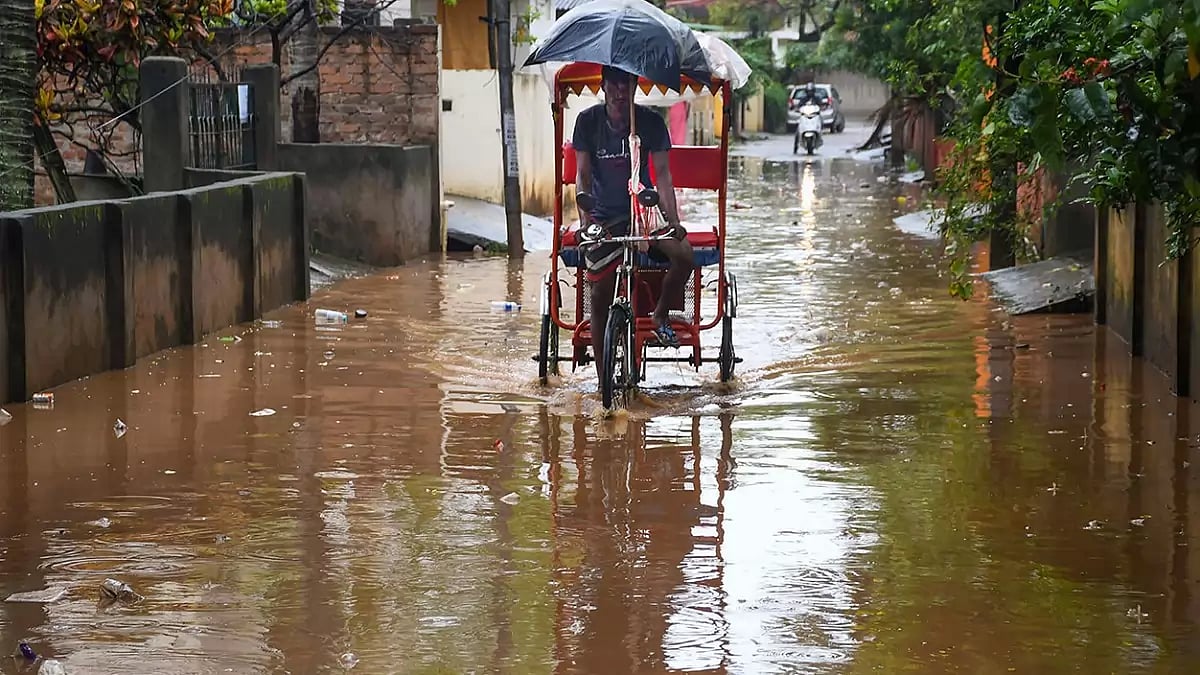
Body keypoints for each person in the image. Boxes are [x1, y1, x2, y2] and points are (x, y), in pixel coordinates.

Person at [572, 65, 694, 384]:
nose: (619, 91)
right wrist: (586, 221)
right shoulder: (587, 122)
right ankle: (603, 382)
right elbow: (582, 175)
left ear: (635, 86)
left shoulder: (651, 122)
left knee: (684, 257)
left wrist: (674, 221)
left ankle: (660, 314)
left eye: (625, 84)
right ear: (604, 87)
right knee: (600, 294)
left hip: (644, 210)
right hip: (603, 215)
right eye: (613, 84)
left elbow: (663, 177)